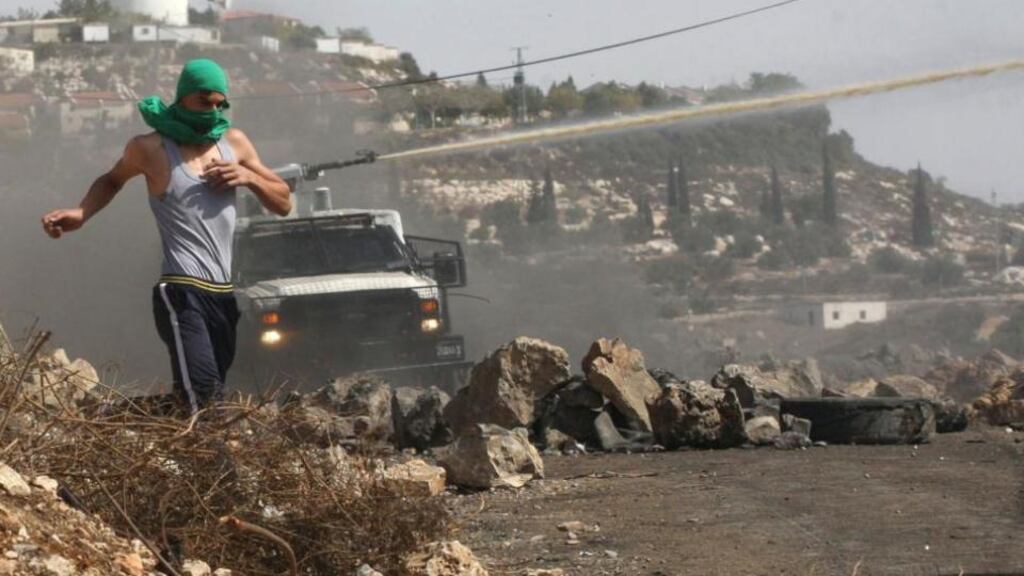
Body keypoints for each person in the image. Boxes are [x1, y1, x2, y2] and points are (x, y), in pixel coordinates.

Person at [41, 59, 292, 414]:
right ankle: (217, 469)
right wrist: (81, 213)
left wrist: (248, 178)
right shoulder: (151, 148)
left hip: (222, 295)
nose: (214, 111)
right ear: (184, 97)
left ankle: (110, 417)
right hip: (181, 291)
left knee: (204, 399)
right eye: (205, 102)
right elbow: (112, 179)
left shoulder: (233, 143)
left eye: (221, 104)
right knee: (204, 396)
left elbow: (283, 201)